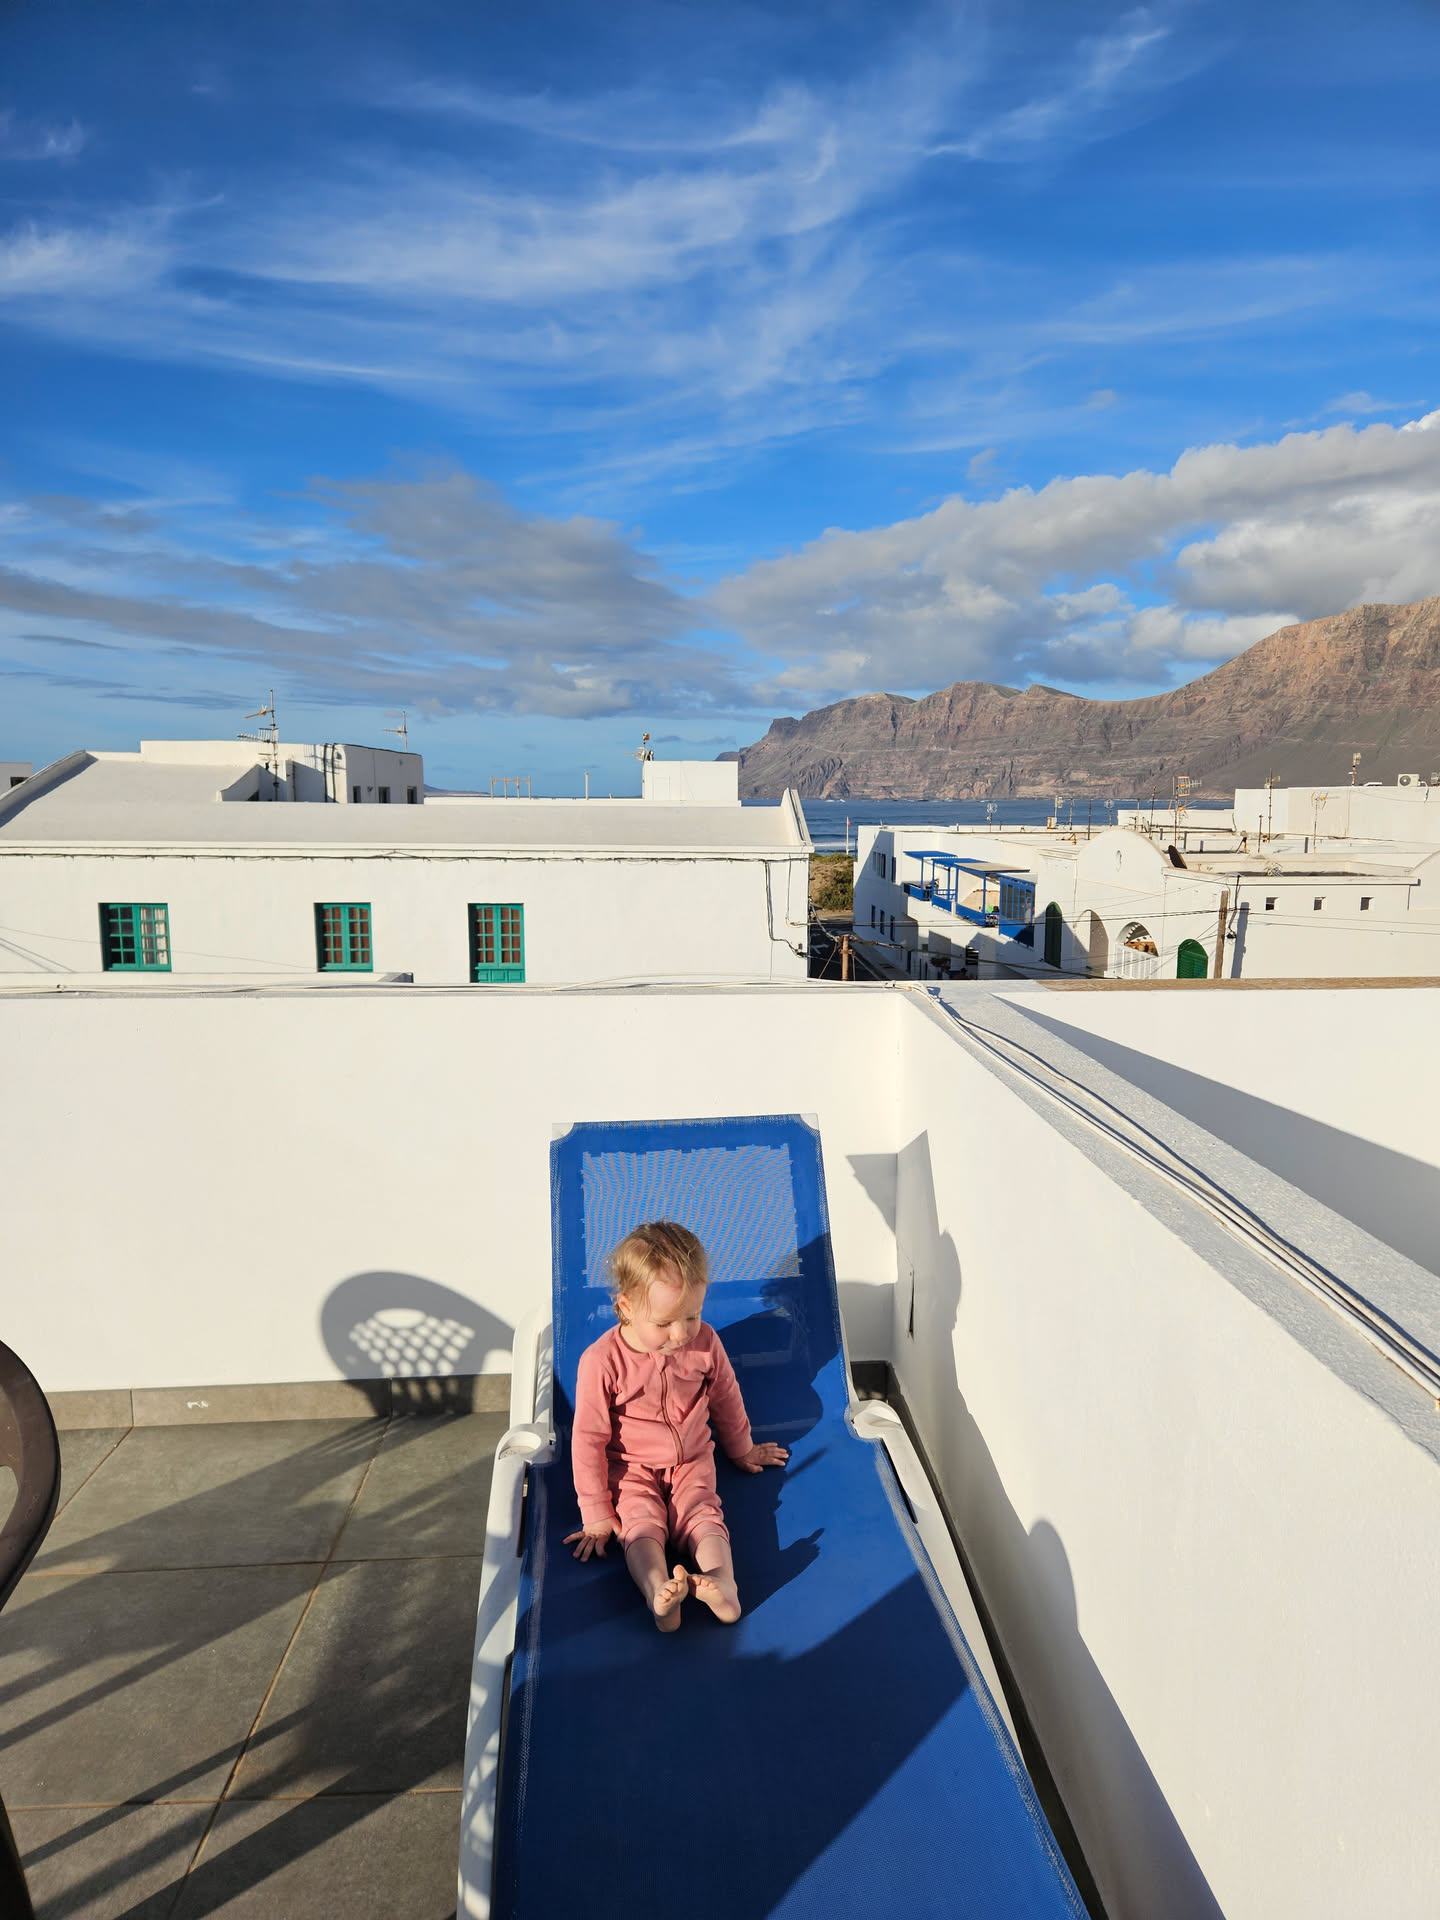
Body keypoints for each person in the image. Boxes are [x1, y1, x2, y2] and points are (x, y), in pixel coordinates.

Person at [565, 1220, 788, 1632]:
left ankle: (723, 1583)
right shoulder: (602, 1361)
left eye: (693, 1315)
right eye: (665, 1323)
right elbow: (588, 1438)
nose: (682, 1333)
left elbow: (726, 1398)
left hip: (692, 1459)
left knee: (703, 1513)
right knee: (640, 1523)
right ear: (627, 1308)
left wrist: (741, 1448)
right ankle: (658, 1592)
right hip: (630, 1467)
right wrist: (595, 1512)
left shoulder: (705, 1343)